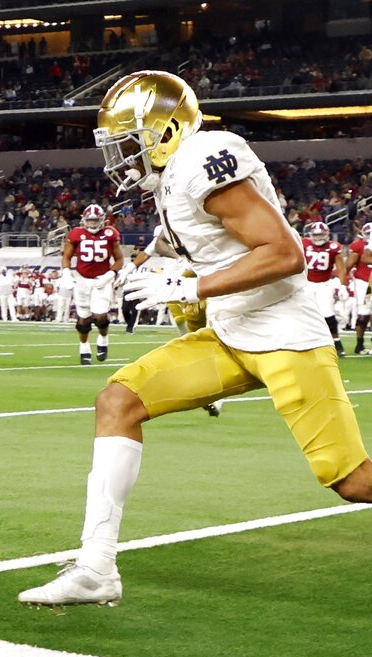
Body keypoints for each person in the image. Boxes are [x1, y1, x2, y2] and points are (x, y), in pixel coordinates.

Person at [18, 71, 372, 610]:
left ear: (164, 132)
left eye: (128, 143)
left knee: (351, 480)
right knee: (119, 400)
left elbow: (284, 253)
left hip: (284, 333)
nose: (121, 158)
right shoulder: (172, 178)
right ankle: (96, 567)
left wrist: (191, 284)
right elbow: (189, 240)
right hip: (231, 332)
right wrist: (152, 269)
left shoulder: (204, 157)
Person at [62, 204, 123, 365]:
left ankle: (103, 339)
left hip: (102, 279)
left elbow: (120, 260)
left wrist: (110, 274)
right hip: (81, 279)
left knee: (101, 316)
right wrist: (66, 272)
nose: (93, 224)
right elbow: (66, 256)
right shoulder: (76, 234)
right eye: (90, 220)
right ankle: (84, 346)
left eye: (96, 220)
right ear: (84, 220)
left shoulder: (110, 233)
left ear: (102, 220)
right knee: (83, 319)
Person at [302, 222, 347, 357]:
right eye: (316, 234)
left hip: (325, 284)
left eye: (321, 234)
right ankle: (307, 342)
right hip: (307, 284)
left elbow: (341, 268)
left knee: (328, 315)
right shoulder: (304, 244)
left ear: (327, 234)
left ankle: (336, 342)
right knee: (305, 314)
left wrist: (342, 285)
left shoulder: (333, 247)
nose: (318, 237)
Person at [344, 222, 371, 354]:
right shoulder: (359, 246)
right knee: (364, 314)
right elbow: (348, 265)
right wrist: (342, 282)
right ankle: (359, 344)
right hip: (364, 282)